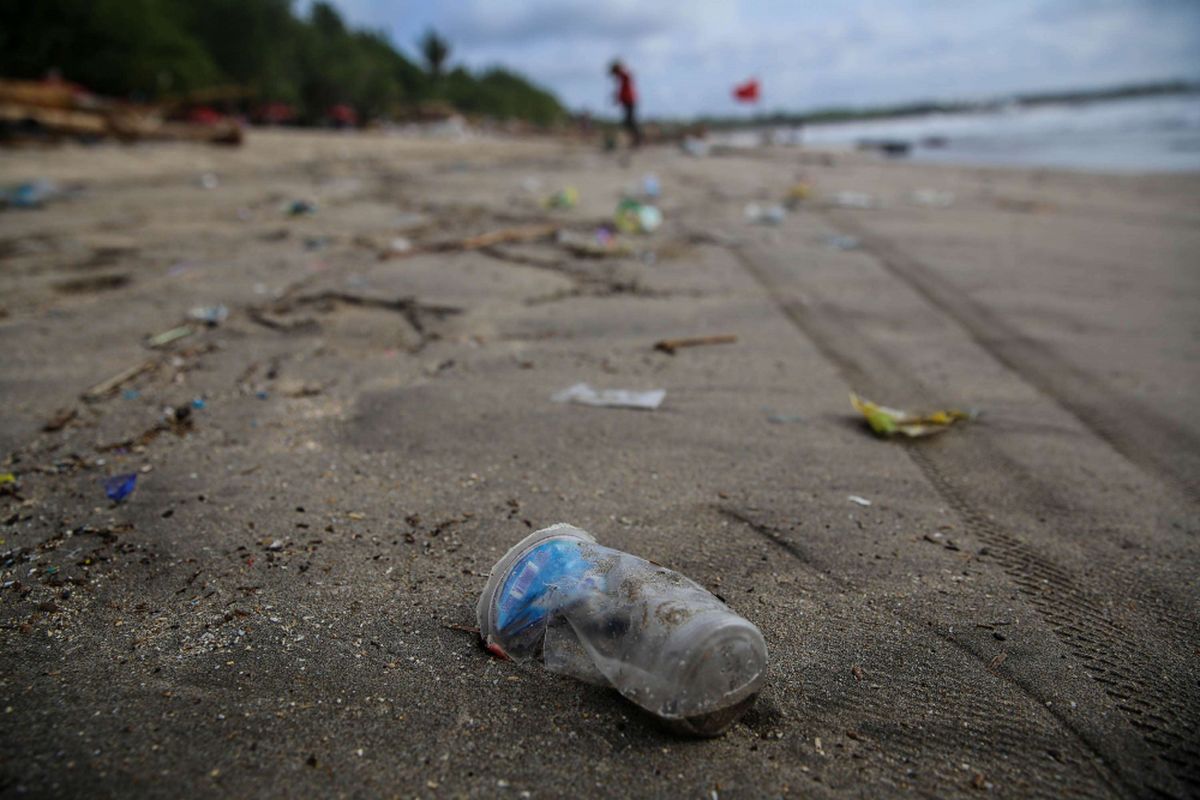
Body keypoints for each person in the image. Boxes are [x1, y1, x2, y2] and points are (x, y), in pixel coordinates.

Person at [608, 60, 641, 148]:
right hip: (627, 101)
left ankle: (637, 140)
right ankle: (635, 140)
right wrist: (617, 98)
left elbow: (629, 75)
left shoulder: (624, 75)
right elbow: (621, 90)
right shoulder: (621, 77)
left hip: (630, 100)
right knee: (629, 121)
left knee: (630, 121)